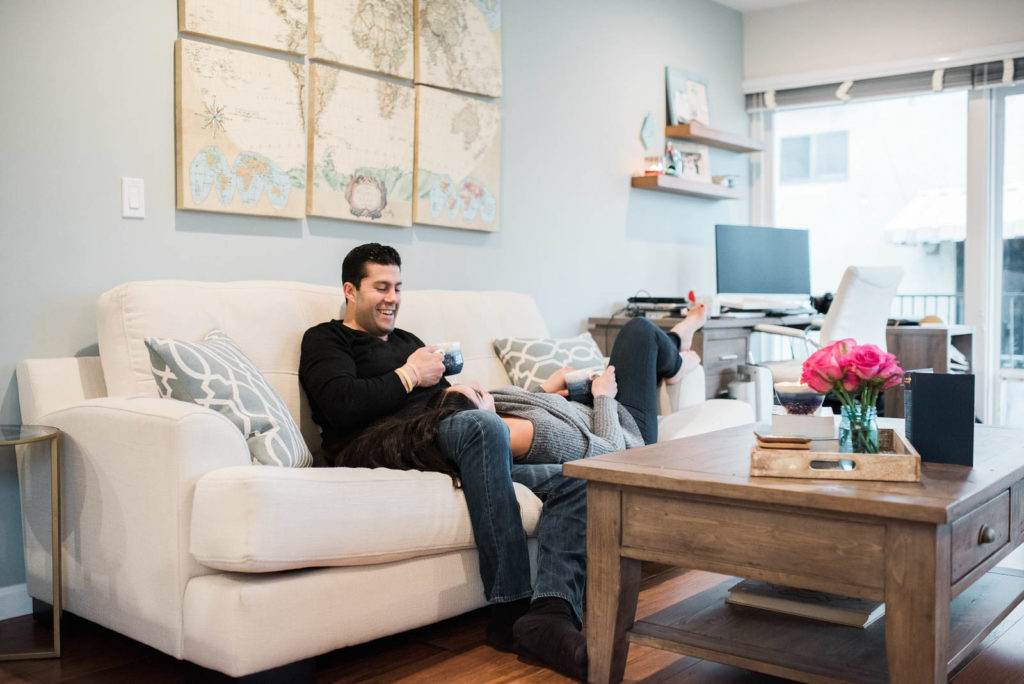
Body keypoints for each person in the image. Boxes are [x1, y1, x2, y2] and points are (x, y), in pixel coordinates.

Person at [300, 244, 593, 680]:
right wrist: (410, 375)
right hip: (369, 441)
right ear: (350, 290)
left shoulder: (409, 342)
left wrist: (467, 398)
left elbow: (443, 405)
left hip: (438, 437)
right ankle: (509, 607)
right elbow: (340, 404)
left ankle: (550, 611)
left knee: (576, 480)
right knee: (481, 428)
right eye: (380, 287)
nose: (392, 298)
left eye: (398, 287)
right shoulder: (327, 339)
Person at [337, 308, 707, 470]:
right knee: (639, 331)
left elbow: (526, 404)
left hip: (589, 408)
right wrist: (603, 398)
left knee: (639, 340)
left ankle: (674, 349)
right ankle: (677, 358)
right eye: (480, 395)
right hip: (627, 430)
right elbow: (609, 453)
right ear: (483, 420)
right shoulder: (516, 433)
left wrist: (548, 388)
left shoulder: (492, 413)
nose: (482, 387)